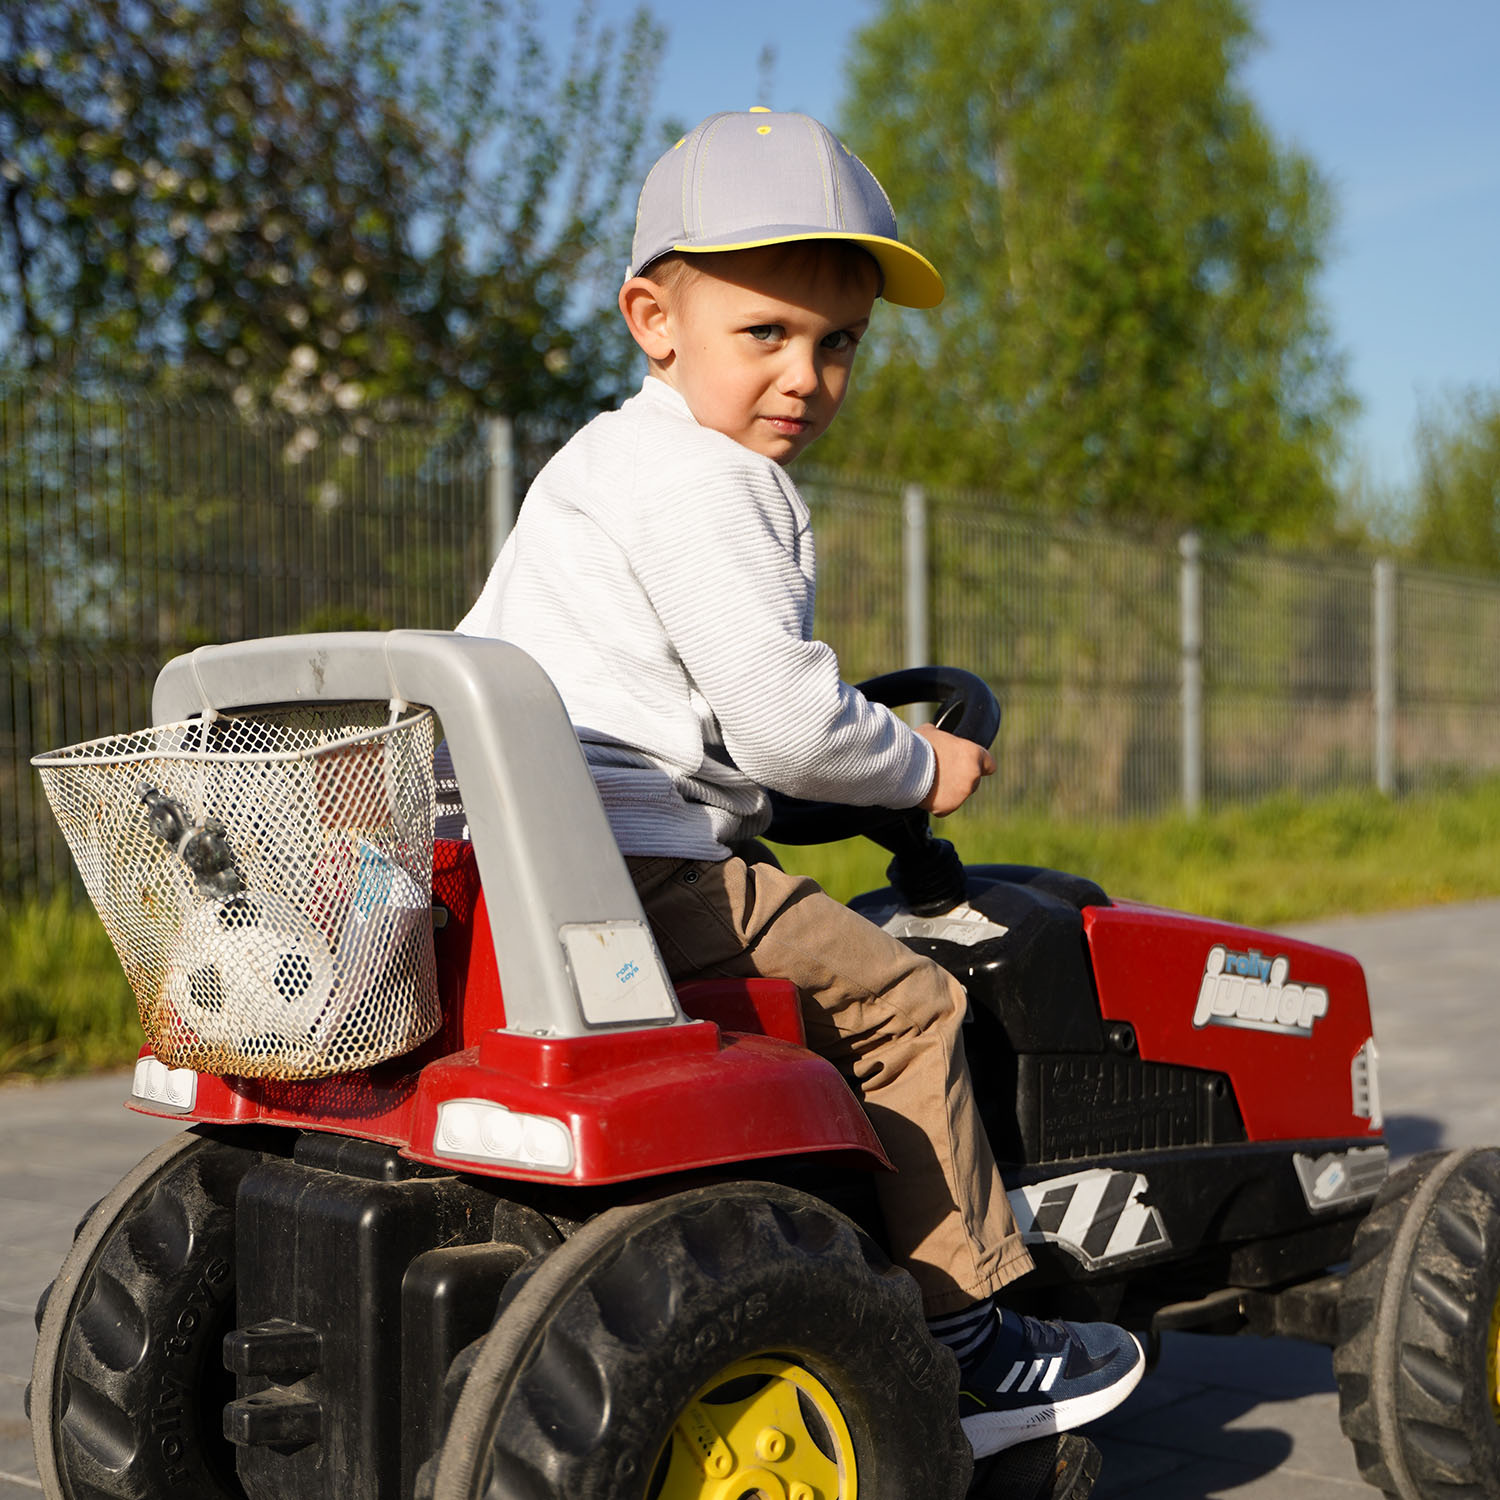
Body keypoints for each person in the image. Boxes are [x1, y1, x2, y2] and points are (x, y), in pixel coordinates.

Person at [457, 107, 1144, 1457]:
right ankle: (970, 1331)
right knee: (908, 1000)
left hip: (522, 863)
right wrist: (919, 766)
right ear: (655, 317)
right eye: (765, 334)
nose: (806, 376)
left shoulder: (595, 464)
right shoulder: (716, 484)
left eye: (839, 345)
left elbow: (705, 718)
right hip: (642, 859)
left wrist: (806, 779)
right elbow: (783, 727)